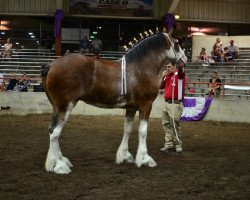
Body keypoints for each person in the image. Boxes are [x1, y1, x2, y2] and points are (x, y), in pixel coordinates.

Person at [159, 61, 186, 153]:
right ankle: (169, 144)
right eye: (166, 67)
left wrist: (180, 64)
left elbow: (181, 70)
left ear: (175, 67)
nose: (167, 68)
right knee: (166, 124)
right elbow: (160, 86)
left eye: (169, 67)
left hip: (175, 104)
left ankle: (178, 144)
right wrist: (163, 76)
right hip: (166, 103)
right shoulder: (167, 76)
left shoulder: (179, 74)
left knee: (174, 125)